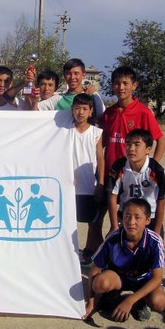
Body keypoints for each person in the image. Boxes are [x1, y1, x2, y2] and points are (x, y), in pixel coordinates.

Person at [83, 198, 165, 322]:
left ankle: (139, 302)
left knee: (159, 303)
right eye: (127, 216)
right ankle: (109, 297)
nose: (131, 222)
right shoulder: (114, 238)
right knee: (100, 283)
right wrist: (91, 303)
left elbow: (157, 278)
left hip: (143, 279)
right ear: (121, 218)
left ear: (147, 220)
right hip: (119, 277)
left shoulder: (155, 241)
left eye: (137, 217)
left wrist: (130, 300)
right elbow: (94, 271)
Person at [107, 129, 165, 236]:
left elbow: (161, 201)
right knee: (118, 247)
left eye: (137, 145)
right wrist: (114, 226)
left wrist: (157, 233)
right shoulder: (118, 167)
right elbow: (112, 196)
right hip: (125, 215)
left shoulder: (156, 171)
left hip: (149, 217)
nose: (131, 149)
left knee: (152, 250)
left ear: (148, 149)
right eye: (128, 144)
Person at [71, 94, 104, 266]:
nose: (80, 112)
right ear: (72, 110)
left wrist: (101, 183)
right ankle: (70, 252)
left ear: (91, 111)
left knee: (93, 223)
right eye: (77, 108)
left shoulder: (96, 133)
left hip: (89, 186)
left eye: (85, 109)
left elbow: (100, 159)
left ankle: (90, 253)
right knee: (69, 222)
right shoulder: (65, 131)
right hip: (71, 187)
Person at [31, 58, 105, 125]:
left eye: (76, 73)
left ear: (83, 75)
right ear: (64, 76)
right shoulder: (57, 99)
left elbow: (102, 117)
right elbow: (35, 113)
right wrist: (34, 101)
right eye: (68, 73)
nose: (72, 77)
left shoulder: (93, 95)